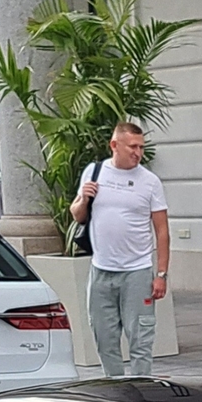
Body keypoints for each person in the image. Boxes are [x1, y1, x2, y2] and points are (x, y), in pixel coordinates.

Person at [69, 118, 170, 379]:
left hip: (137, 271)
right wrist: (84, 198)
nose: (138, 153)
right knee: (104, 336)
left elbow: (162, 230)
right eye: (132, 147)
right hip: (102, 270)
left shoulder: (149, 181)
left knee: (141, 337)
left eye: (141, 147)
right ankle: (115, 388)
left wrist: (161, 274)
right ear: (114, 145)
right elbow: (77, 215)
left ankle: (141, 388)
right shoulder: (94, 171)